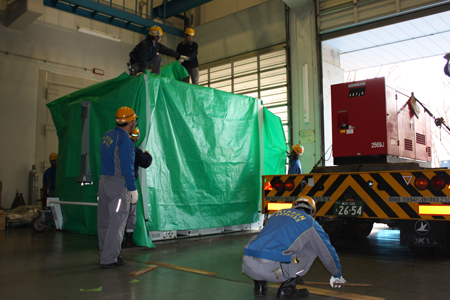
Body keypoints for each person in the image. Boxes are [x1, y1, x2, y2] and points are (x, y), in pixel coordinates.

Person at [242, 196, 345, 299]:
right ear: (313, 214)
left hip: (249, 266)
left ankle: (260, 286)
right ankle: (287, 289)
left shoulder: (277, 214)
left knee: (259, 240)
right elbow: (326, 251)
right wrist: (336, 273)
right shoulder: (310, 222)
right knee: (314, 246)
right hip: (275, 272)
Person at [97, 106, 139, 269]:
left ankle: (105, 253)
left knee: (104, 221)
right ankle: (109, 259)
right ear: (129, 122)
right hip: (117, 185)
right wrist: (132, 189)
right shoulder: (125, 140)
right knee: (117, 222)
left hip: (103, 182)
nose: (135, 123)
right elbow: (127, 167)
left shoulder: (107, 136)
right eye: (134, 120)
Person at [124, 127, 153, 248]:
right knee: (130, 213)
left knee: (120, 213)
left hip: (115, 185)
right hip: (128, 186)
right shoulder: (133, 150)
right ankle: (128, 240)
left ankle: (118, 240)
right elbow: (145, 162)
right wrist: (147, 154)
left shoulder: (119, 147)